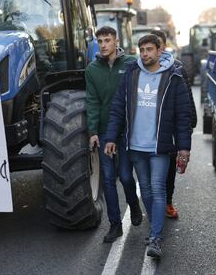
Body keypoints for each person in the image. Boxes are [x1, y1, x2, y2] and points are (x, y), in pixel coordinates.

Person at [104, 34, 193, 259]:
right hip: (135, 146)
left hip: (160, 147)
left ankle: (155, 237)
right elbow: (118, 108)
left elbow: (183, 117)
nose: (145, 54)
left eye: (149, 49)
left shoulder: (174, 77)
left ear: (159, 51)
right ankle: (156, 228)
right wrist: (112, 137)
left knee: (158, 188)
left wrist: (184, 148)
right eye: (142, 50)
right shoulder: (131, 75)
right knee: (144, 190)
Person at [86, 26, 143, 243]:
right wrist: (93, 131)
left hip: (125, 131)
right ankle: (115, 225)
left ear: (115, 41)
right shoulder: (92, 70)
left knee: (126, 176)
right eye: (99, 41)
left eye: (107, 40)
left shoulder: (130, 63)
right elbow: (91, 101)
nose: (103, 45)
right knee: (108, 180)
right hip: (103, 130)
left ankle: (134, 204)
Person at [150, 29, 197, 219]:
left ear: (163, 46)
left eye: (159, 45)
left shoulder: (176, 67)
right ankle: (154, 200)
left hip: (168, 128)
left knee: (169, 169)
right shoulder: (141, 69)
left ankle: (167, 201)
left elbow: (186, 97)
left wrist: (190, 122)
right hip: (148, 129)